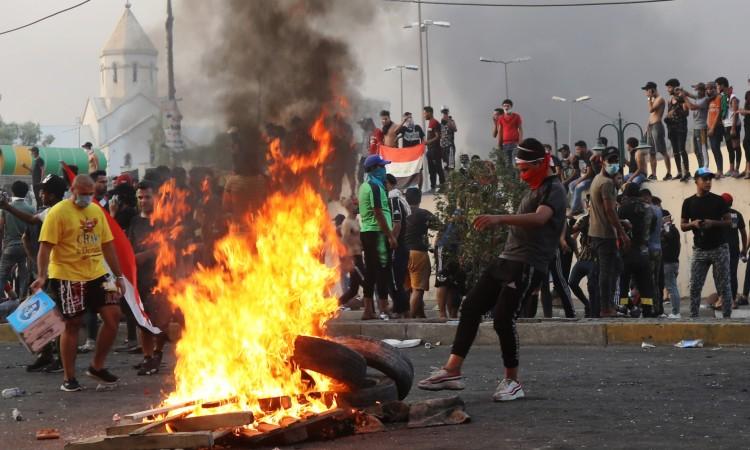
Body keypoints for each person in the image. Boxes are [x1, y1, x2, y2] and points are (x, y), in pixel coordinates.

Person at [417, 138, 566, 402]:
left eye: (524, 170)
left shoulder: (553, 188)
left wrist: (499, 218)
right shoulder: (532, 188)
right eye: (518, 170)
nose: (521, 176)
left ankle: (512, 381)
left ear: (540, 163)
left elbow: (541, 218)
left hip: (528, 263)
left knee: (502, 319)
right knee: (471, 306)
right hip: (506, 259)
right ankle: (452, 370)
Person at [31, 175, 126, 392]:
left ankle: (97, 367)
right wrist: (42, 276)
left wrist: (119, 276)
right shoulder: (58, 213)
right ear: (73, 191)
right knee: (72, 323)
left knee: (113, 316)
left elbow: (108, 245)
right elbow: (45, 247)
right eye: (82, 194)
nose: (86, 198)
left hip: (98, 273)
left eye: (89, 194)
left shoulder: (96, 211)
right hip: (66, 275)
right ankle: (69, 377)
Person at [127, 181, 170, 376]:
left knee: (159, 319)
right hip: (139, 278)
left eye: (147, 197)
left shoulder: (164, 220)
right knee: (142, 318)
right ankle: (147, 357)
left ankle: (158, 353)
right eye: (140, 197)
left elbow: (168, 245)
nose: (143, 201)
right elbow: (128, 244)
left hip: (161, 277)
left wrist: (145, 256)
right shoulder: (135, 222)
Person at [680, 168, 733, 318]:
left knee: (724, 286)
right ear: (696, 181)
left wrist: (713, 223)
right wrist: (693, 224)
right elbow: (683, 225)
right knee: (695, 286)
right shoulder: (688, 202)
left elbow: (729, 222)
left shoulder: (719, 200)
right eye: (705, 179)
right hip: (699, 250)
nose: (708, 182)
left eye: (710, 179)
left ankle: (727, 318)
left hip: (719, 248)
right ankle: (693, 317)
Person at [589, 147, 630, 317]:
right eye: (610, 160)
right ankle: (606, 308)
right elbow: (609, 211)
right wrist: (622, 233)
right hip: (605, 234)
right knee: (609, 272)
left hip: (597, 233)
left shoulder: (597, 178)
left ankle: (607, 306)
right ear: (602, 161)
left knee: (611, 269)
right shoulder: (607, 183)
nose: (613, 163)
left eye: (615, 160)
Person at [358, 155, 397, 320]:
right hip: (378, 234)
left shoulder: (364, 186)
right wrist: (390, 236)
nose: (384, 169)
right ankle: (383, 309)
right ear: (374, 169)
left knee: (371, 272)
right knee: (383, 271)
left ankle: (368, 310)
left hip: (368, 233)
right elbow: (378, 212)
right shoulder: (374, 186)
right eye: (381, 166)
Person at [617, 184, 656, 317]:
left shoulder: (623, 208)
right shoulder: (648, 209)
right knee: (645, 283)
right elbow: (653, 226)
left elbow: (618, 226)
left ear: (626, 194)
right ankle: (647, 309)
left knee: (624, 281)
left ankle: (624, 306)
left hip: (627, 251)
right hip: (643, 250)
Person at [403, 187, 438, 318]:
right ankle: (410, 320)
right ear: (420, 199)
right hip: (417, 253)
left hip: (402, 254)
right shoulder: (423, 213)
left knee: (408, 288)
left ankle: (419, 314)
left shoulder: (401, 213)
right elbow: (439, 226)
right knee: (418, 289)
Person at [0, 181, 35, 300]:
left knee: (2, 274)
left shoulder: (6, 207)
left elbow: (1, 228)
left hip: (10, 246)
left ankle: (1, 301)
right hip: (25, 247)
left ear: (13, 191)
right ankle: (22, 299)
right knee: (24, 274)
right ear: (26, 193)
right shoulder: (31, 209)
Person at [386, 174, 411, 318]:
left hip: (398, 247)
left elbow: (397, 223)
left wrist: (392, 242)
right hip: (401, 246)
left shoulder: (394, 199)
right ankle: (401, 309)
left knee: (395, 281)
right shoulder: (397, 198)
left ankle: (401, 310)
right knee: (396, 280)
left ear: (389, 183)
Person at [640, 189, 664, 316]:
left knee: (649, 281)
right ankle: (658, 307)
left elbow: (646, 231)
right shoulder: (659, 210)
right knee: (656, 281)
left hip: (649, 249)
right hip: (658, 248)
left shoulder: (647, 210)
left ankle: (651, 308)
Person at [568, 198, 594, 317]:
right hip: (583, 258)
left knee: (592, 286)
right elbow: (572, 231)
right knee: (572, 282)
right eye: (590, 204)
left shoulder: (604, 219)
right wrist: (570, 219)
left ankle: (593, 308)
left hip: (595, 259)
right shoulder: (584, 219)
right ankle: (588, 304)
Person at [721, 193, 746, 310]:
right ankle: (732, 300)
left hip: (721, 249)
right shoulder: (736, 215)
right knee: (732, 274)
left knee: (721, 275)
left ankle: (725, 300)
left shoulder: (718, 214)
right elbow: (743, 233)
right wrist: (744, 248)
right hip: (733, 249)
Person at [642, 81, 672, 180]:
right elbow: (651, 115)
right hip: (651, 127)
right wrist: (647, 128)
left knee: (662, 151)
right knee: (651, 152)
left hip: (657, 126)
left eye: (647, 90)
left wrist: (649, 98)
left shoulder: (660, 99)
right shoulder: (654, 100)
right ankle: (654, 174)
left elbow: (651, 110)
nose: (646, 92)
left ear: (652, 90)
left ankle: (668, 173)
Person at [664, 79, 690, 181]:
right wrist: (668, 116)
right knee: (675, 151)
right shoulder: (669, 100)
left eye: (669, 87)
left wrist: (677, 110)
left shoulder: (682, 98)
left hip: (681, 127)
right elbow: (668, 113)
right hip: (671, 128)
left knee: (681, 149)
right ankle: (679, 172)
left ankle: (686, 172)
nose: (668, 90)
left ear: (675, 87)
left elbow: (686, 113)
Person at [716, 77, 742, 177]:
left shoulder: (733, 97)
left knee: (736, 146)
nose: (717, 87)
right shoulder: (723, 96)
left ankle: (737, 169)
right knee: (729, 148)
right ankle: (731, 168)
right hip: (726, 125)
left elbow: (735, 113)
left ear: (722, 85)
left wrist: (733, 128)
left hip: (733, 125)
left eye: (718, 85)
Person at [683, 82, 710, 169]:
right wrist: (681, 90)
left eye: (698, 90)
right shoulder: (698, 97)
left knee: (702, 149)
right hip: (696, 128)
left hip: (702, 128)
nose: (697, 92)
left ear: (703, 90)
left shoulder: (705, 99)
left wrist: (684, 97)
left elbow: (691, 107)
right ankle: (701, 168)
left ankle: (705, 167)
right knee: (697, 151)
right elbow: (688, 94)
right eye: (696, 90)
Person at [661, 211, 682, 318]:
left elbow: (667, 237)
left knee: (671, 288)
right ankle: (675, 312)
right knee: (671, 287)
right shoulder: (675, 230)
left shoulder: (669, 229)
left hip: (668, 263)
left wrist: (664, 228)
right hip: (673, 262)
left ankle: (676, 312)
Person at [568, 141, 593, 216]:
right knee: (571, 185)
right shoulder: (581, 155)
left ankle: (574, 209)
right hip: (585, 177)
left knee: (578, 187)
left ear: (584, 148)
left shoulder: (589, 155)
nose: (577, 151)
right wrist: (572, 161)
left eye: (578, 149)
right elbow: (575, 167)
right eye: (576, 149)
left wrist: (579, 180)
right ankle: (580, 207)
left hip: (592, 178)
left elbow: (589, 173)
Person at [423, 106, 445, 192]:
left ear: (429, 113)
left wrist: (428, 142)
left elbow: (438, 136)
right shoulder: (430, 122)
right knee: (431, 170)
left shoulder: (434, 122)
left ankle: (443, 186)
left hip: (435, 150)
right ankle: (433, 187)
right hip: (430, 150)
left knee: (438, 168)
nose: (424, 115)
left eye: (425, 113)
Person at [706, 81, 725, 177]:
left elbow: (718, 113)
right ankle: (718, 170)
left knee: (716, 147)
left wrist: (712, 127)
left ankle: (720, 171)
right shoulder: (709, 100)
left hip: (717, 127)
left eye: (711, 88)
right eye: (707, 89)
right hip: (710, 127)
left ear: (715, 88)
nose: (709, 90)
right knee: (713, 148)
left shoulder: (719, 98)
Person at [439, 106, 458, 172]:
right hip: (442, 146)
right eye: (443, 112)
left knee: (451, 165)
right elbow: (439, 135)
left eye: (445, 112)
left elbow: (455, 129)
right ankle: (446, 180)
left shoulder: (451, 121)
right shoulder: (440, 123)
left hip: (450, 145)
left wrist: (448, 121)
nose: (444, 114)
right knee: (445, 165)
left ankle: (452, 179)